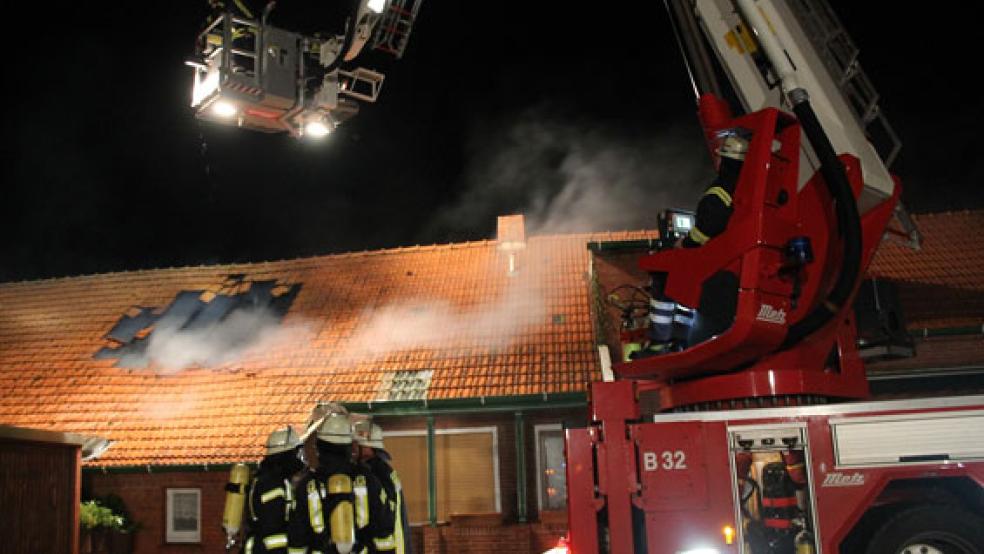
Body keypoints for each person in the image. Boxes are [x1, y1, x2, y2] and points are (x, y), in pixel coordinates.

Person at [645, 130, 749, 354]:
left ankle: (660, 341)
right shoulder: (745, 189)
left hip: (715, 267)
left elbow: (704, 231)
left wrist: (685, 243)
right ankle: (681, 334)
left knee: (662, 269)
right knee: (684, 277)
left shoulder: (718, 194)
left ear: (723, 160)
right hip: (731, 263)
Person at [289, 412, 358, 554]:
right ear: (349, 447)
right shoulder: (365, 479)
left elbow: (297, 536)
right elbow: (380, 528)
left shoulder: (307, 484)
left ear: (320, 447)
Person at [244, 426, 306, 554]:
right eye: (297, 453)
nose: (300, 459)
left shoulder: (272, 479)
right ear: (287, 454)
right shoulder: (271, 484)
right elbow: (272, 529)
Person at [357, 423, 411, 554]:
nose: (352, 448)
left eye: (355, 444)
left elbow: (382, 516)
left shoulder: (375, 474)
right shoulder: (385, 470)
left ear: (365, 446)